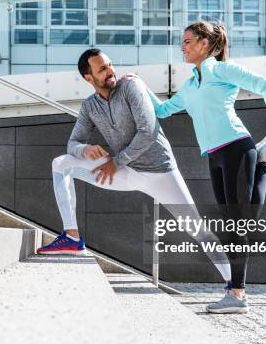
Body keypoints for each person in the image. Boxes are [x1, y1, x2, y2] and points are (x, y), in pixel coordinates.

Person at [37, 48, 232, 285]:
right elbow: (72, 143)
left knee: (198, 230)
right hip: (127, 173)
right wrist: (83, 150)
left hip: (161, 172)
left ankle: (235, 286)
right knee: (60, 164)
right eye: (102, 69)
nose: (110, 71)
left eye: (109, 64)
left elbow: (148, 131)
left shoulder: (130, 87)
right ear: (89, 78)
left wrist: (115, 162)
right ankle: (72, 237)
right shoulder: (89, 107)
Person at [148, 21, 266, 314]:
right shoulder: (190, 85)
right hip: (213, 155)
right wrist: (138, 86)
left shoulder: (220, 69)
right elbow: (162, 111)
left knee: (238, 224)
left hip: (236, 146)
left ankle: (236, 295)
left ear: (205, 44)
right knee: (239, 220)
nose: (182, 47)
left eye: (187, 41)